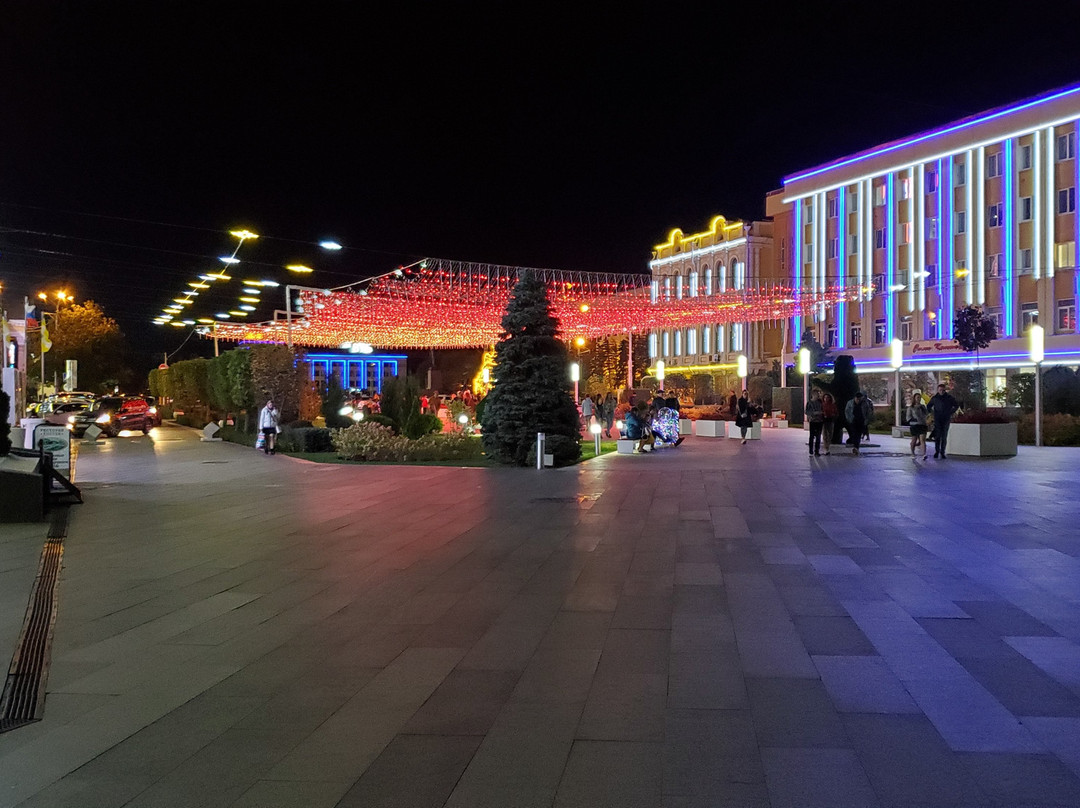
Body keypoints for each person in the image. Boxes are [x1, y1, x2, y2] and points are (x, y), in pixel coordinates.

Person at [927, 382, 960, 458]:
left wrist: (950, 412)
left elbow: (956, 405)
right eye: (940, 390)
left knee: (944, 436)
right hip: (938, 418)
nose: (941, 392)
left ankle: (942, 452)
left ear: (945, 390)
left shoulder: (949, 398)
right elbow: (928, 406)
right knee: (938, 436)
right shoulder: (935, 398)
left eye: (943, 390)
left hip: (946, 418)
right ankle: (937, 451)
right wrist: (933, 413)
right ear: (938, 390)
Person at [844, 391, 871, 455]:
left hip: (861, 421)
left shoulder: (865, 403)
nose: (858, 400)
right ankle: (855, 446)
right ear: (855, 398)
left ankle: (856, 447)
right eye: (857, 399)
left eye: (860, 399)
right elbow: (846, 411)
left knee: (858, 434)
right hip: (853, 420)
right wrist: (849, 419)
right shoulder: (850, 403)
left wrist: (866, 420)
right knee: (854, 434)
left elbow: (868, 412)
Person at [906, 393, 929, 458]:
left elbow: (926, 414)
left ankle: (924, 454)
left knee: (922, 440)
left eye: (919, 397)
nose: (918, 399)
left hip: (922, 424)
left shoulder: (923, 406)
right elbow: (908, 417)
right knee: (914, 439)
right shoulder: (911, 408)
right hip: (915, 425)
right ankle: (912, 453)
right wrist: (913, 421)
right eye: (917, 397)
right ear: (914, 399)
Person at [805, 388, 824, 456]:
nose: (818, 395)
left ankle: (817, 450)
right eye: (816, 394)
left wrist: (821, 413)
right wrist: (813, 413)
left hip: (819, 421)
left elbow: (823, 410)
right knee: (812, 436)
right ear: (813, 395)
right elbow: (807, 411)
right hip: (813, 421)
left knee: (818, 436)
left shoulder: (820, 402)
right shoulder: (809, 403)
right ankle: (811, 449)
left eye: (818, 394)